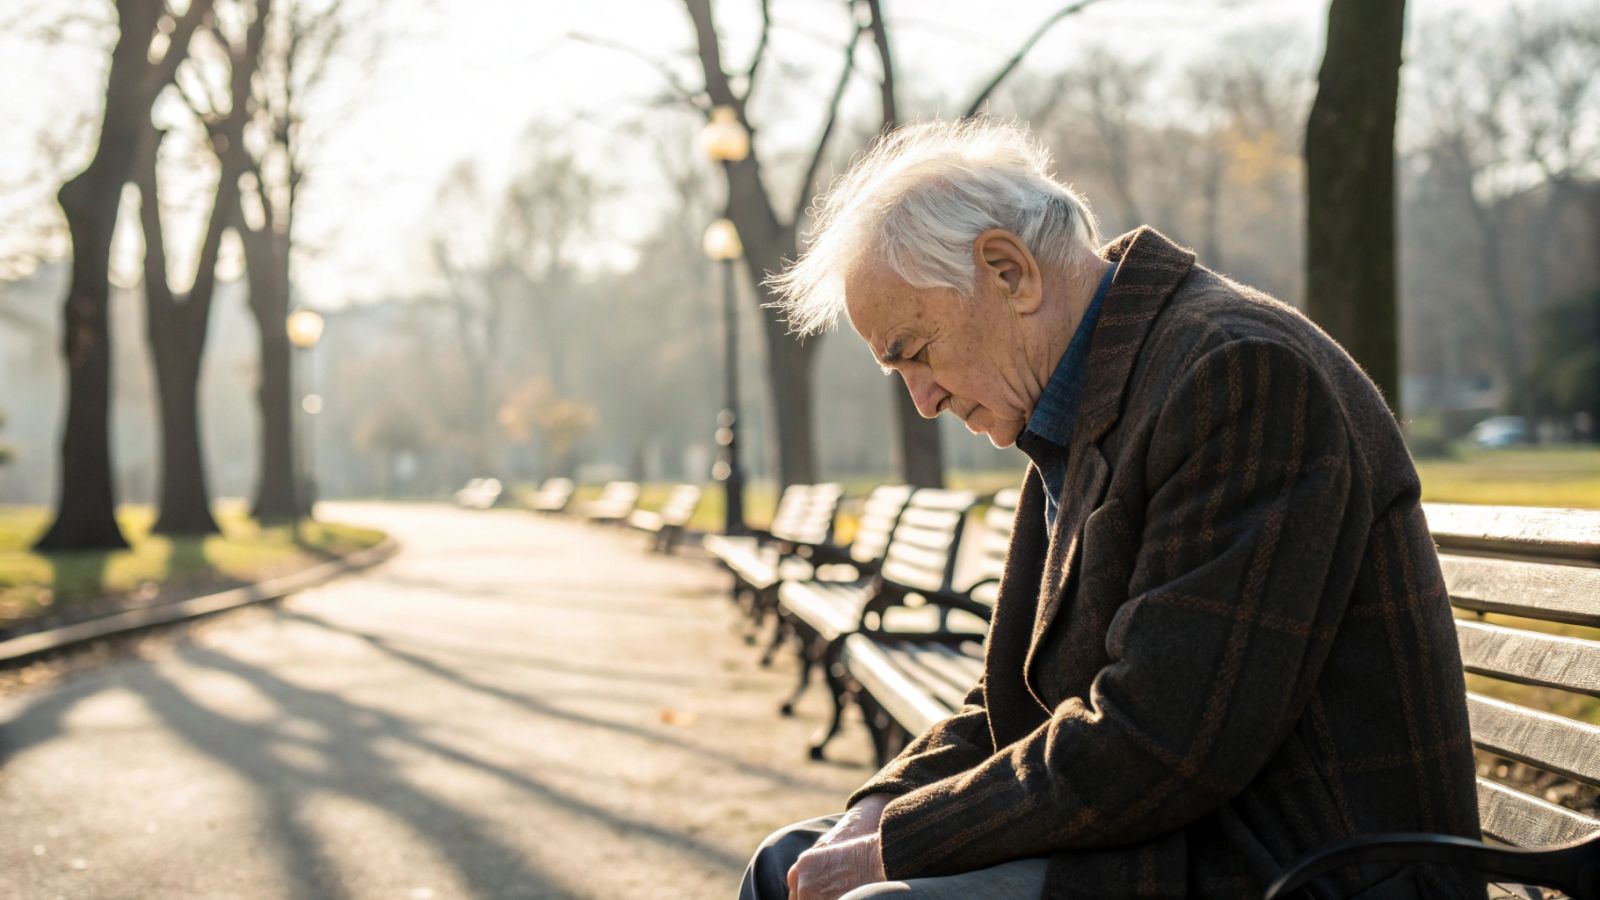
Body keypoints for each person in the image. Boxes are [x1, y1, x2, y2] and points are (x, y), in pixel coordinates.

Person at [740, 119, 1480, 899]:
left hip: (1299, 867)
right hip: (1175, 836)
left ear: (1008, 270)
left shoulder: (1239, 375)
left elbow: (1160, 739)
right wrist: (884, 804)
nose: (921, 400)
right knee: (784, 861)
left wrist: (902, 845)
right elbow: (1012, 698)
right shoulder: (1085, 392)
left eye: (915, 350)